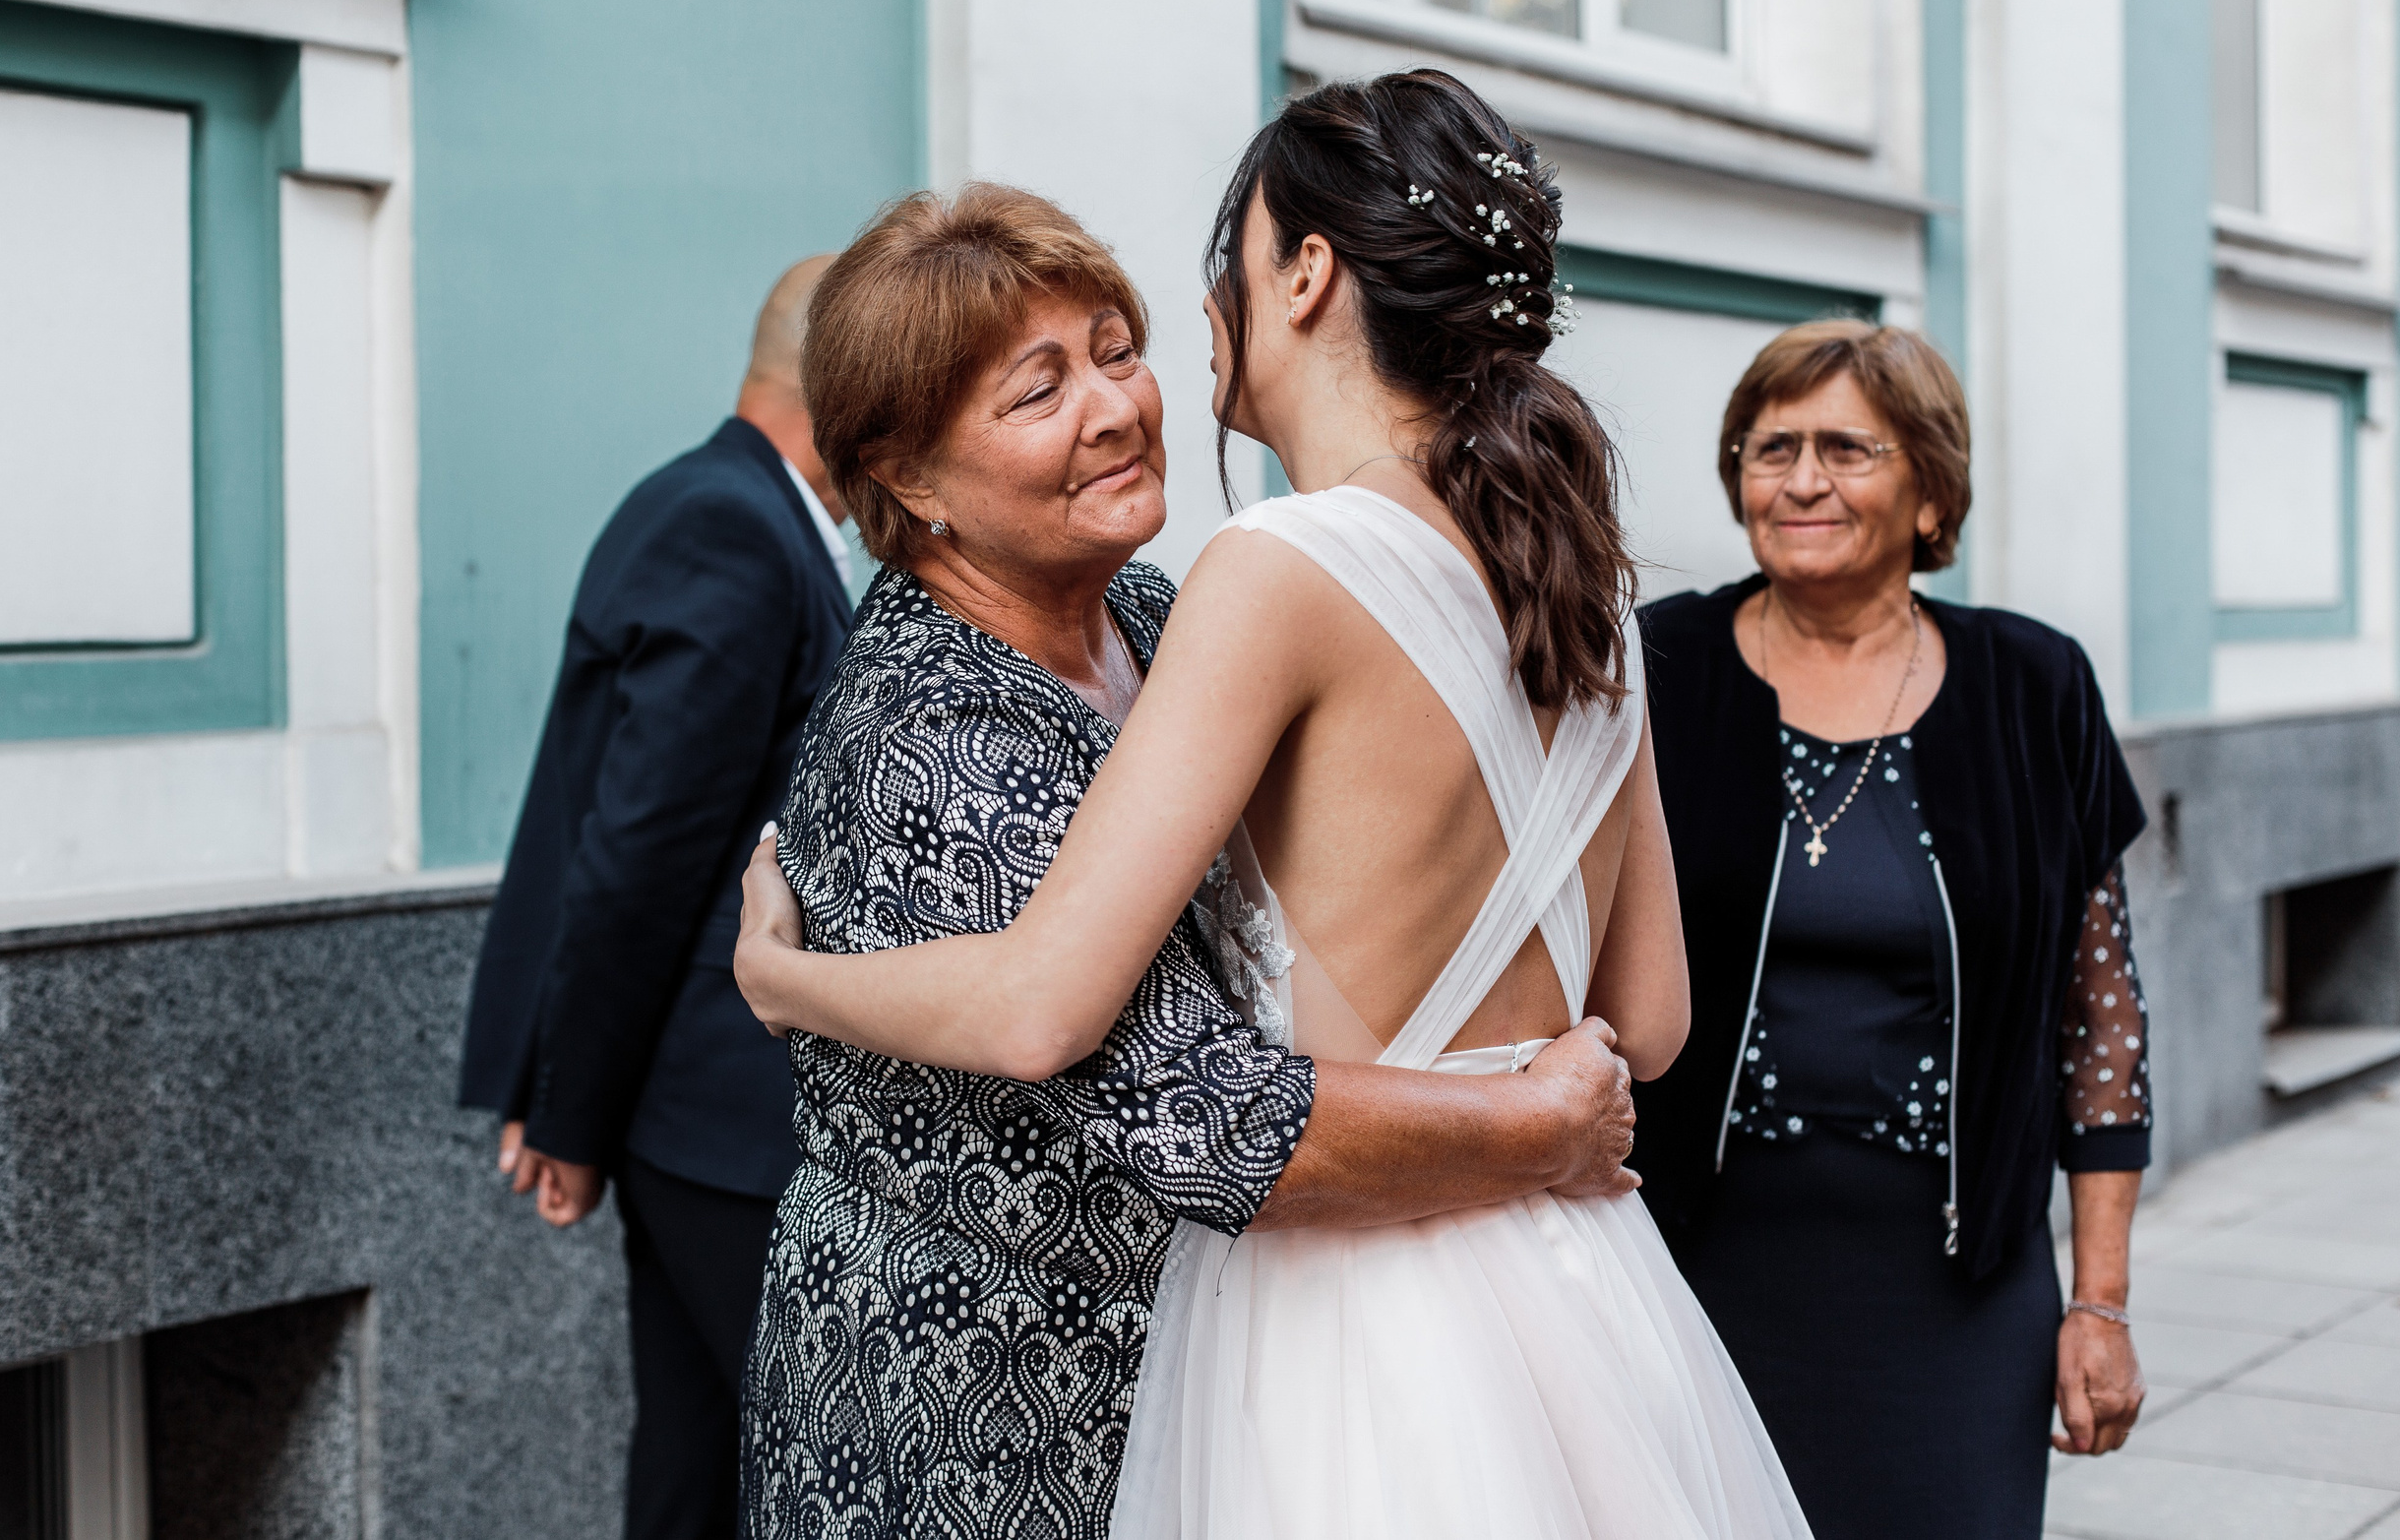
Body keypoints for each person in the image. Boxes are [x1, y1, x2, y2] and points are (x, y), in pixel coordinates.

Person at [736, 74, 1812, 1538]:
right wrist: (1534, 1106)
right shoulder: (1575, 574)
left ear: (1304, 270)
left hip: (1348, 1307)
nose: (1125, 394)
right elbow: (1656, 1018)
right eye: (1042, 387)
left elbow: (1053, 1006)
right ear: (908, 478)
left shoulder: (1240, 582)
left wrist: (787, 979)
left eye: (1118, 348)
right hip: (1045, 1398)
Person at [1629, 319, 2150, 1540]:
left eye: (1846, 449)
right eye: (1771, 449)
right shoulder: (1659, 666)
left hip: (1953, 1283)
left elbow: (2099, 1022)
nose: (1800, 480)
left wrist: (2103, 1301)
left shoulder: (2035, 686)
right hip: (1697, 1257)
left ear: (1929, 489)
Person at [454, 255, 854, 1540]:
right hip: (717, 1112)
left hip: (696, 1107)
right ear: (845, 384)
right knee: (806, 1469)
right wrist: (569, 1105)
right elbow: (636, 846)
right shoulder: (732, 525)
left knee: (697, 1470)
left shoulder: (726, 505)